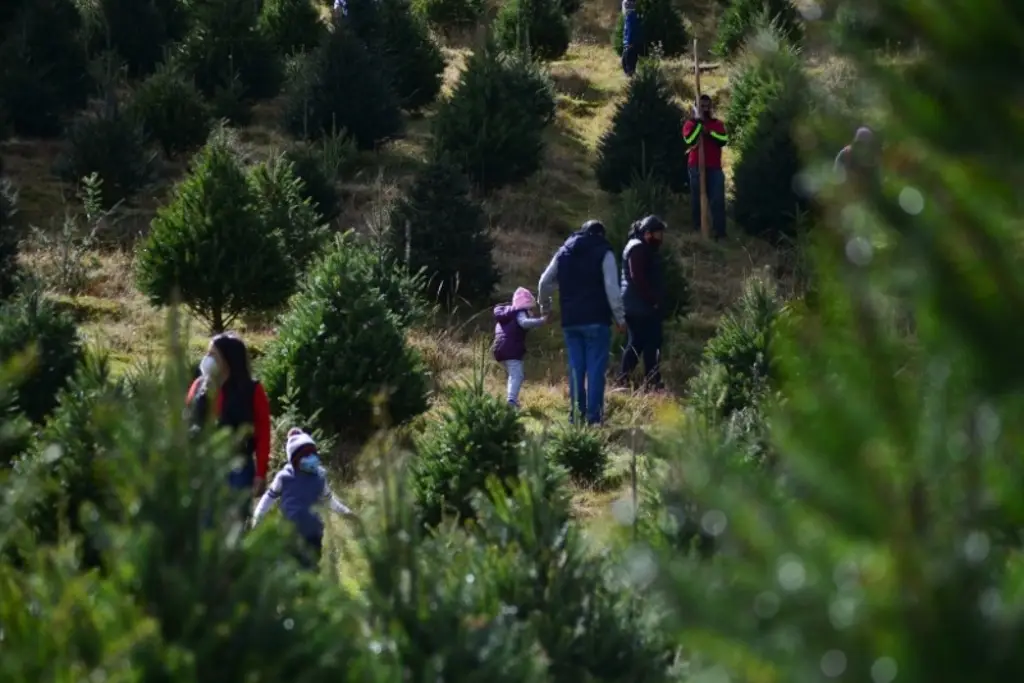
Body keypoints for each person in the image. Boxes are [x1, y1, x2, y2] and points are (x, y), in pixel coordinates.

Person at [538, 220, 626, 425]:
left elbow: (544, 282)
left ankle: (576, 415)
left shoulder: (564, 252)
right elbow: (612, 288)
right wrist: (620, 318)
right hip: (596, 319)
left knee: (576, 368)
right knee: (595, 369)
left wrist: (545, 309)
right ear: (601, 235)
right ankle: (594, 418)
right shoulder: (604, 252)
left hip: (571, 321)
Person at [187, 333, 271, 507]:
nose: (207, 359)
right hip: (204, 466)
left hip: (238, 467)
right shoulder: (198, 386)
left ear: (228, 359)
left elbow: (263, 433)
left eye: (213, 354)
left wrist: (261, 473)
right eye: (207, 354)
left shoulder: (252, 390)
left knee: (234, 524)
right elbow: (186, 421)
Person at [252, 429, 355, 569]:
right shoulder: (284, 477)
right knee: (290, 567)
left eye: (313, 454)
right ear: (295, 459)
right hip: (290, 533)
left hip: (314, 534)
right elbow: (268, 498)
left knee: (311, 568)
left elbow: (329, 500)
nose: (312, 458)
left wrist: (347, 513)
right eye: (306, 455)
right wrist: (258, 516)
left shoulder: (319, 477)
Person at [618, 215, 667, 390]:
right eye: (658, 234)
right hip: (639, 306)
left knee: (649, 342)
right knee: (640, 342)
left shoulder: (639, 247)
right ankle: (626, 379)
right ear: (647, 233)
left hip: (639, 305)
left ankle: (650, 380)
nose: (660, 239)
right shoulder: (638, 249)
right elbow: (637, 277)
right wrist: (653, 299)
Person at [682, 94, 729, 240]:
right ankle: (698, 230)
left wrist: (709, 133)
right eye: (702, 106)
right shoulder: (690, 124)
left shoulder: (717, 124)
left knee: (717, 200)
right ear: (696, 107)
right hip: (696, 167)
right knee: (697, 199)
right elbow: (690, 139)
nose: (705, 108)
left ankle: (719, 233)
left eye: (708, 106)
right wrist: (699, 126)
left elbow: (723, 140)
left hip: (714, 168)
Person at [493, 287, 548, 409]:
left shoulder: (506, 314)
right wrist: (540, 321)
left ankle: (512, 399)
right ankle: (511, 402)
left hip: (499, 349)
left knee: (513, 375)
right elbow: (524, 323)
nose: (530, 311)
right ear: (525, 305)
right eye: (530, 308)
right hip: (512, 349)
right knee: (517, 375)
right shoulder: (520, 312)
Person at [621, 0, 641, 78]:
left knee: (628, 64)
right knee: (626, 63)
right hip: (630, 43)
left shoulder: (630, 17)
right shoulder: (631, 16)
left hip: (630, 44)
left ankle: (632, 81)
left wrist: (629, 43)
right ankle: (632, 79)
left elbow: (631, 30)